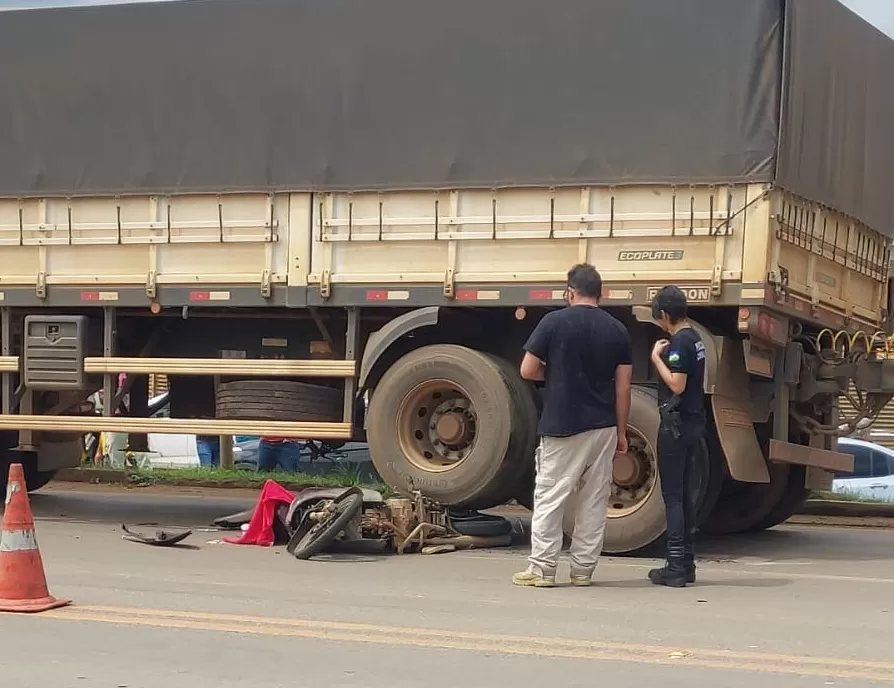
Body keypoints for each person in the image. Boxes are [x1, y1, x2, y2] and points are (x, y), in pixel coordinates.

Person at [512, 263, 632, 588]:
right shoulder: (617, 330)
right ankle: (583, 570)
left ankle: (543, 569)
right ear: (600, 293)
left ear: (570, 291)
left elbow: (527, 369)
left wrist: (554, 375)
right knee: (593, 500)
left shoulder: (553, 322)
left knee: (551, 495)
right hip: (604, 426)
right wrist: (621, 431)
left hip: (563, 423)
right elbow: (622, 387)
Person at [648, 285, 706, 587]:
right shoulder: (695, 339)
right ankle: (687, 562)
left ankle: (675, 565)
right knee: (683, 494)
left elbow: (678, 384)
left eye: (658, 317)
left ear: (666, 315)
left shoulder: (680, 343)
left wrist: (656, 357)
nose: (659, 322)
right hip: (692, 423)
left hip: (676, 424)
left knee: (672, 497)